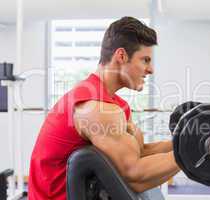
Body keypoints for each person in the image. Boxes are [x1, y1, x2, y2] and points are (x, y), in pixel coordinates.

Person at [28, 16, 180, 200]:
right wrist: (191, 153)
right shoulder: (95, 108)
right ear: (121, 56)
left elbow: (139, 151)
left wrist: (183, 141)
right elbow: (134, 177)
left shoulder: (116, 105)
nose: (151, 69)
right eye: (145, 60)